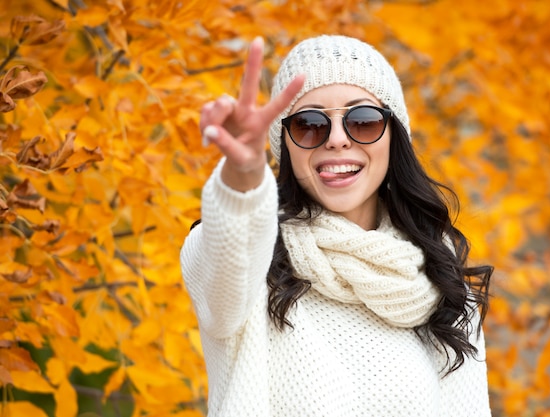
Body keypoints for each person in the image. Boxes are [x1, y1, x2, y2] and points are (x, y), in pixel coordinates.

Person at [180, 34, 493, 417]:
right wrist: (243, 174)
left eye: (363, 121)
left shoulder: (444, 285)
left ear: (394, 136)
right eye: (310, 125)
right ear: (286, 144)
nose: (338, 140)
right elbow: (224, 267)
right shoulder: (251, 258)